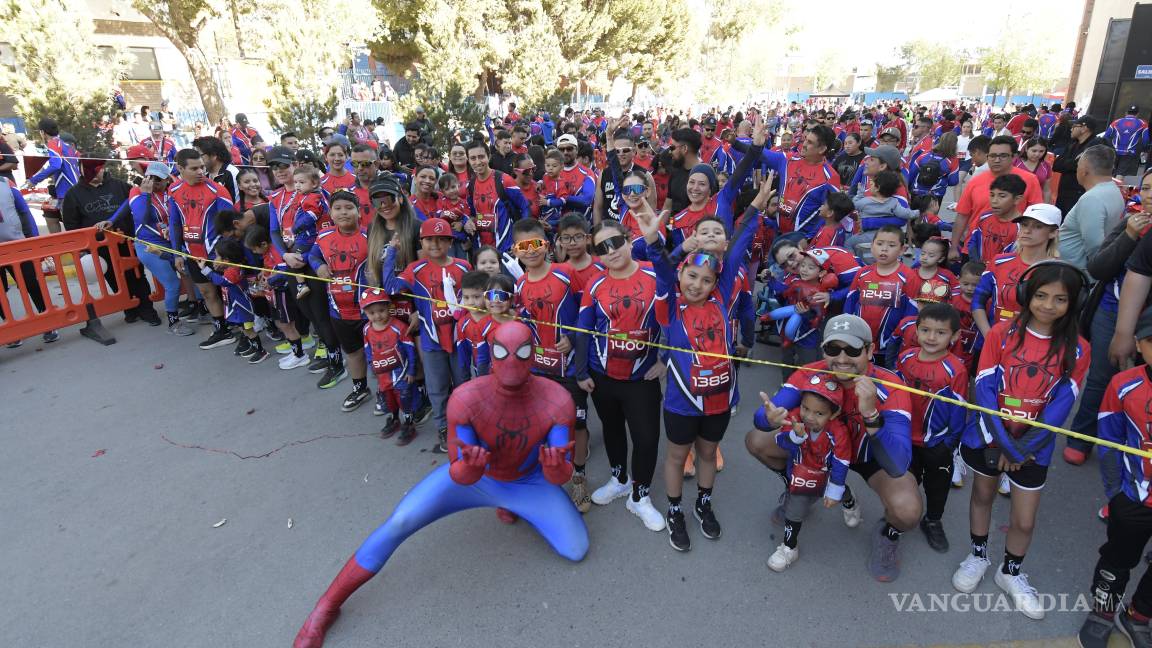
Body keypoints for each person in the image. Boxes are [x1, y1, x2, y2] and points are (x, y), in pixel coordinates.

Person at [292, 322, 587, 648]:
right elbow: (460, 472)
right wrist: (470, 469)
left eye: (522, 353)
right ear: (490, 353)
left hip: (528, 482)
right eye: (503, 353)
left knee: (576, 549)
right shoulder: (466, 398)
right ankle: (327, 605)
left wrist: (556, 468)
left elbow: (558, 473)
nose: (512, 363)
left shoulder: (558, 399)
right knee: (401, 521)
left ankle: (510, 505)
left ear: (534, 354)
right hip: (478, 479)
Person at [951, 261, 1089, 620]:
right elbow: (983, 388)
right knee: (982, 495)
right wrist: (1006, 444)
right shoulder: (1001, 332)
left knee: (1024, 521)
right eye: (1041, 295)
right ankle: (978, 554)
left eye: (1060, 299)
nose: (1048, 305)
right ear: (1027, 295)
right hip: (989, 435)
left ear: (1074, 303)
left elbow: (1061, 406)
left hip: (1034, 447)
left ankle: (1010, 571)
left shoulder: (1079, 349)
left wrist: (1023, 448)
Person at [640, 175, 769, 552]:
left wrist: (757, 205)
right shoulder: (670, 303)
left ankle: (703, 504)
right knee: (678, 456)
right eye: (690, 276)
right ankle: (676, 510)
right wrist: (653, 239)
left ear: (717, 283)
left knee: (709, 453)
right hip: (682, 400)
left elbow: (741, 240)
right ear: (681, 275)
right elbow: (662, 265)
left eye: (705, 279)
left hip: (719, 398)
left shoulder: (723, 295)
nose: (697, 284)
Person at [749, 314, 918, 582]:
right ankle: (798, 487)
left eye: (852, 350)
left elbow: (898, 464)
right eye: (832, 348)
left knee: (907, 510)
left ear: (870, 350)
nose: (841, 358)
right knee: (757, 440)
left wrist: (872, 415)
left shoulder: (891, 385)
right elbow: (762, 418)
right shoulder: (810, 372)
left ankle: (888, 535)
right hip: (819, 452)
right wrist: (769, 418)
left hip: (870, 456)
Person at [575, 219, 667, 531]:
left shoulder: (655, 275)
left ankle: (640, 497)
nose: (611, 251)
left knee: (647, 438)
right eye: (602, 247)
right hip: (602, 376)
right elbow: (583, 328)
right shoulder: (595, 284)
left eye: (615, 242)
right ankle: (620, 479)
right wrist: (580, 371)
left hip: (642, 378)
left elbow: (675, 319)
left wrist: (665, 358)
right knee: (612, 430)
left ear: (629, 240)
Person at [1078, 305, 1152, 648]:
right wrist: (1116, 494)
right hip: (1133, 497)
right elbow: (1108, 443)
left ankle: (1139, 615)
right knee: (1118, 557)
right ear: (1138, 344)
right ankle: (1103, 611)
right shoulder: (1124, 385)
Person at [380, 217, 472, 453]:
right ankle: (443, 427)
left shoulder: (464, 267)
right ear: (421, 242)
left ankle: (468, 424)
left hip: (459, 338)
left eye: (442, 239)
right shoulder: (416, 269)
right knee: (437, 386)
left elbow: (475, 300)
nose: (435, 244)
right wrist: (391, 252)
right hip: (432, 340)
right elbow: (390, 287)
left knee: (463, 384)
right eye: (429, 240)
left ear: (450, 242)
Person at [894, 302, 969, 553]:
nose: (931, 337)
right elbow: (893, 394)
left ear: (955, 336)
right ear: (916, 330)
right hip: (905, 439)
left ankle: (933, 520)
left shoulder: (955, 369)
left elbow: (959, 408)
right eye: (925, 330)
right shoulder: (904, 358)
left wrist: (950, 443)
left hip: (937, 443)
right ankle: (897, 518)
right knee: (903, 484)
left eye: (940, 332)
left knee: (938, 487)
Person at [759, 376, 852, 572]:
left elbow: (841, 461)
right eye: (805, 408)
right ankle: (789, 547)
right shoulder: (795, 419)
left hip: (826, 476)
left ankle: (850, 501)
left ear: (834, 414)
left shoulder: (838, 432)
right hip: (801, 476)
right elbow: (780, 442)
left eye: (819, 413)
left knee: (840, 493)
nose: (809, 417)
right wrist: (796, 436)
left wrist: (835, 488)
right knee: (794, 510)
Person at [61, 159, 159, 325]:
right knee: (114, 278)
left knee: (136, 275)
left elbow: (136, 207)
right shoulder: (73, 194)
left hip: (126, 242)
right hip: (99, 248)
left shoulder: (121, 186)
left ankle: (146, 309)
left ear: (102, 169)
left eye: (96, 170)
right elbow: (71, 224)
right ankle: (129, 309)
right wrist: (82, 249)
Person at [308, 190, 372, 412]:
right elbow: (312, 255)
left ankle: (388, 393)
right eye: (338, 208)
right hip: (338, 311)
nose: (343, 212)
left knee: (378, 354)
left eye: (349, 207)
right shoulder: (323, 237)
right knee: (353, 352)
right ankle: (360, 388)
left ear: (358, 212)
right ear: (331, 213)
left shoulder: (369, 236)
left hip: (369, 312)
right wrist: (318, 266)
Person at [167, 148, 236, 347]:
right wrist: (177, 253)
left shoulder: (217, 190)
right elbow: (174, 223)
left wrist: (223, 254)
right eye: (194, 168)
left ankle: (247, 330)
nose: (200, 172)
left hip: (216, 252)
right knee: (207, 293)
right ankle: (221, 330)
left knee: (230, 292)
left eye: (202, 167)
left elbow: (230, 226)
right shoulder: (174, 190)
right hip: (191, 253)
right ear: (180, 168)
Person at [950, 136, 1043, 264]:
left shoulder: (1030, 180)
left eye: (1003, 156)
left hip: (1012, 253)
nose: (997, 160)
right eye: (992, 156)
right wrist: (954, 247)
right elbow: (962, 216)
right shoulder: (976, 181)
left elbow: (1036, 217)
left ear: (1014, 157)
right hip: (976, 250)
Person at [129, 161, 192, 336]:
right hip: (149, 246)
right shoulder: (137, 191)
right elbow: (141, 218)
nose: (154, 182)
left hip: (171, 243)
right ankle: (173, 323)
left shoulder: (171, 193)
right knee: (172, 284)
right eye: (151, 177)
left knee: (190, 272)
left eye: (159, 179)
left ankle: (197, 307)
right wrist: (146, 195)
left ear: (167, 180)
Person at [0, 174, 58, 344]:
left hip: (16, 245)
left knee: (31, 282)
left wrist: (33, 237)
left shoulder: (5, 183)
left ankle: (46, 320)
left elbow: (24, 211)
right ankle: (9, 327)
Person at [1058, 145, 1126, 271]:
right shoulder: (1114, 190)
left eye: (1078, 166)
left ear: (1084, 170)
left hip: (1075, 272)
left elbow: (1095, 245)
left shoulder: (1092, 199)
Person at [23, 118, 79, 234]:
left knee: (72, 228)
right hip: (76, 188)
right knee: (78, 225)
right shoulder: (65, 144)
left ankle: (81, 251)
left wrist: (34, 180)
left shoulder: (53, 143)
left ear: (42, 132)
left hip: (66, 191)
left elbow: (56, 165)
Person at [1053, 115, 1112, 216]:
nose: (1071, 129)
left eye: (1074, 126)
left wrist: (1070, 163)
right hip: (1064, 194)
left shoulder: (1095, 146)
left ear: (1084, 128)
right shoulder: (1073, 144)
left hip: (1079, 195)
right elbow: (1056, 165)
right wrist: (1073, 162)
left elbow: (1082, 167)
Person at [966, 174, 1027, 264]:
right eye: (992, 195)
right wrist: (977, 264)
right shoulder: (984, 217)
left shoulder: (1022, 228)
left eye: (1002, 196)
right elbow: (973, 241)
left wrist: (993, 268)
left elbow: (1016, 258)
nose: (994, 201)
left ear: (1017, 199)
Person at [1103, 105, 1149, 181]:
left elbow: (1106, 136)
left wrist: (1110, 148)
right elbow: (1145, 140)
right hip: (1129, 153)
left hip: (1114, 151)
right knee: (1121, 174)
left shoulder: (1116, 122)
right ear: (1137, 114)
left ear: (1126, 113)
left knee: (1110, 172)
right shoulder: (1143, 123)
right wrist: (1143, 150)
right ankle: (1116, 192)